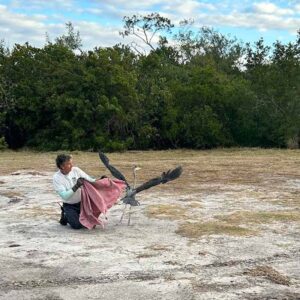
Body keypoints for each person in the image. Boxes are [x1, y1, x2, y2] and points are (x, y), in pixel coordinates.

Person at [53, 154, 98, 229]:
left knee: (92, 224)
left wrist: (101, 180)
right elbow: (65, 196)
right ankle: (65, 215)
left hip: (82, 203)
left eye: (71, 163)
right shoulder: (56, 178)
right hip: (69, 205)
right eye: (69, 164)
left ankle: (76, 215)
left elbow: (90, 180)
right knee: (77, 226)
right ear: (62, 166)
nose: (72, 165)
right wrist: (76, 186)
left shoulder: (76, 170)